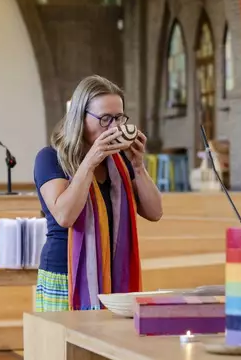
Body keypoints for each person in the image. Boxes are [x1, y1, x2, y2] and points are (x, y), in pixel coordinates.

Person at [34, 75, 163, 311]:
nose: (114, 127)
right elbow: (65, 216)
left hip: (112, 273)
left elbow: (155, 212)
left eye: (119, 118)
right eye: (105, 119)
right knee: (63, 348)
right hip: (65, 274)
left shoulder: (120, 161)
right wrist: (90, 161)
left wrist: (137, 166)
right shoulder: (50, 158)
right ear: (80, 119)